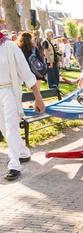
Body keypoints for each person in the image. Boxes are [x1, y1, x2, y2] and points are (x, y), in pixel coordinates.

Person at [0, 31, 45, 180]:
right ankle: (23, 152)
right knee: (4, 127)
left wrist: (38, 98)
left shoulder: (10, 46)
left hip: (10, 91)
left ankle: (14, 164)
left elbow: (27, 73)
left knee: (11, 126)